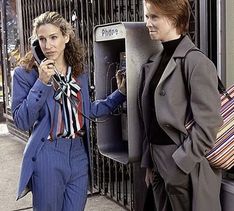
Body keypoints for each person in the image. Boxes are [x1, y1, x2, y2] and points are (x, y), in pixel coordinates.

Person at [11, 11, 126, 211]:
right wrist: (41, 83)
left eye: (54, 37)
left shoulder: (78, 72)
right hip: (48, 153)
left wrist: (121, 93)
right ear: (35, 43)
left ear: (66, 37)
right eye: (42, 39)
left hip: (78, 154)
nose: (48, 46)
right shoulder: (25, 74)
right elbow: (21, 121)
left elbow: (88, 110)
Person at [138, 0, 223, 210]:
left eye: (154, 16)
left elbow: (209, 123)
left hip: (181, 161)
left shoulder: (196, 62)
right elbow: (149, 119)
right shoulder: (155, 60)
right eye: (147, 16)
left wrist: (180, 164)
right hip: (157, 160)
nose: (147, 22)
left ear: (174, 17)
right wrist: (150, 163)